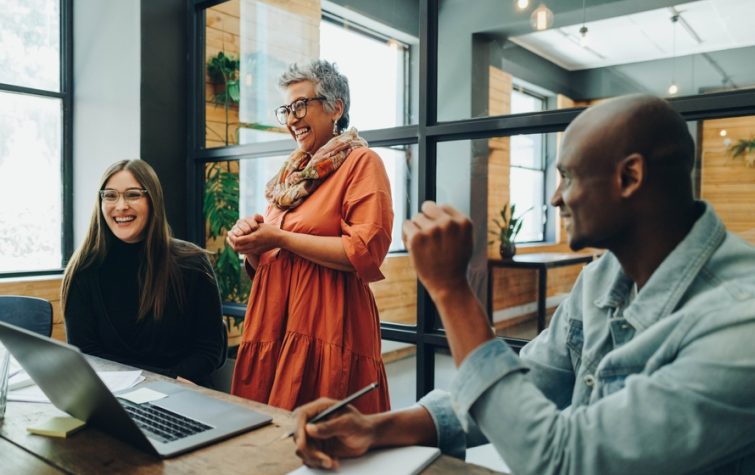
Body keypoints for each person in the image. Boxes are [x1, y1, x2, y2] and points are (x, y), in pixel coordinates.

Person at [291, 95, 755, 474]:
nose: (555, 198)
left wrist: (452, 291)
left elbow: (563, 459)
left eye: (567, 176)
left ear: (629, 176)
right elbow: (525, 386)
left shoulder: (739, 325)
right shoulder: (601, 278)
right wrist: (377, 428)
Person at [227, 59, 393, 413]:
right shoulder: (290, 177)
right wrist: (252, 244)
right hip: (273, 322)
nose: (291, 118)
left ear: (336, 108)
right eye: (286, 109)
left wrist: (279, 238)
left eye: (301, 105)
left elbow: (363, 251)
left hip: (328, 325)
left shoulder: (362, 163)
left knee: (326, 439)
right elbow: (269, 260)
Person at [62, 160, 226, 388]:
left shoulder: (192, 262)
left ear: (153, 201)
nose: (120, 206)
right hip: (114, 396)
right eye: (110, 195)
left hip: (183, 391)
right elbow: (87, 354)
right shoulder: (83, 269)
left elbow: (210, 349)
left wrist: (166, 384)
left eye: (132, 195)